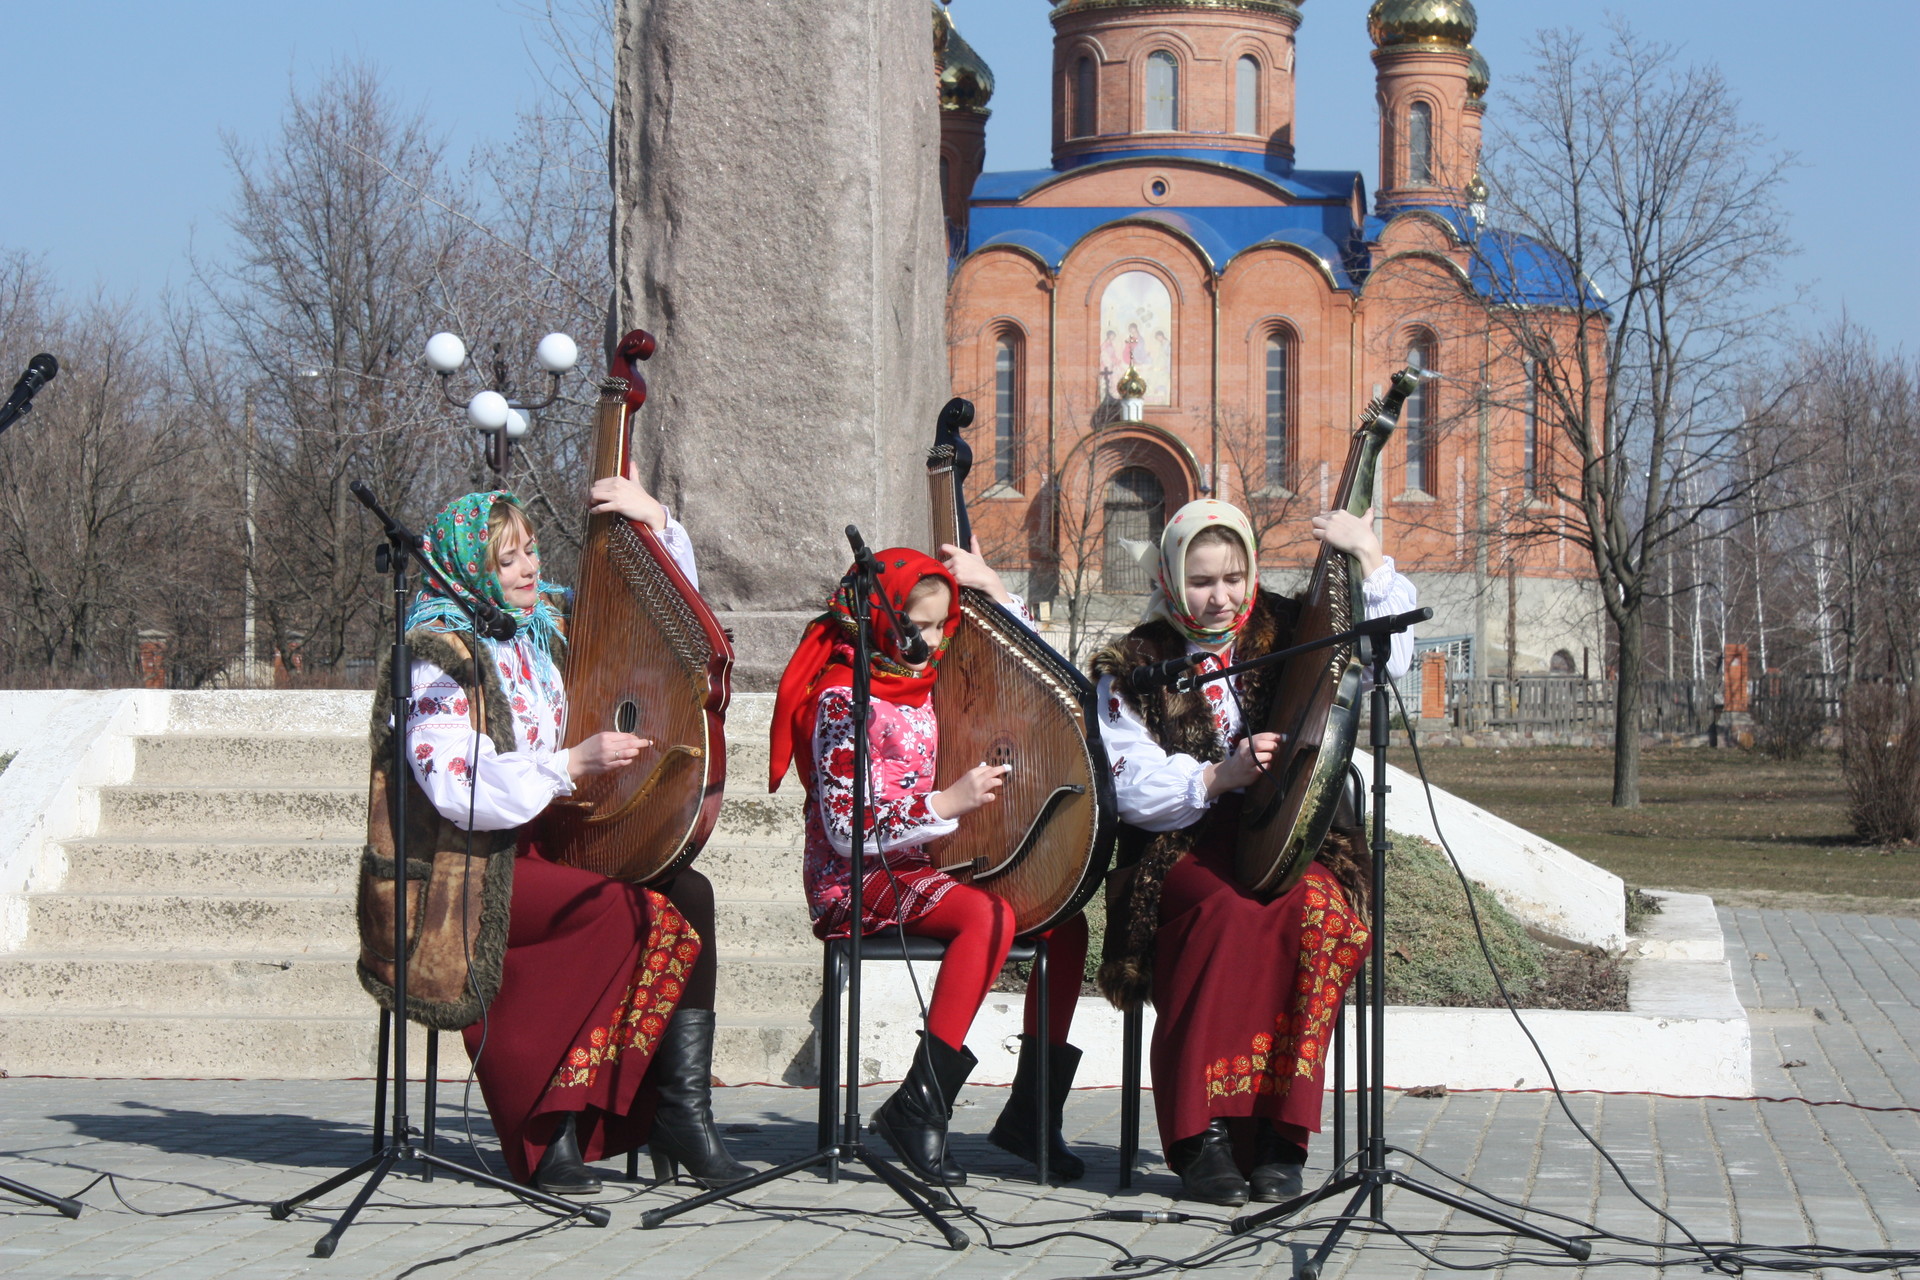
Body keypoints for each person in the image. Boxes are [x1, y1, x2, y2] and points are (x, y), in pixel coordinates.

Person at [355, 471, 748, 1198]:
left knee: (687, 891)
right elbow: (454, 783)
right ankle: (550, 1126)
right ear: (471, 568)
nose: (531, 566)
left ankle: (680, 1114)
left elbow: (669, 626)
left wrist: (657, 523)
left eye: (532, 550)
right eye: (509, 559)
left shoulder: (544, 632)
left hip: (547, 835)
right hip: (468, 861)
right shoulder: (438, 653)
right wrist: (571, 762)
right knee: (610, 912)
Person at [1090, 499, 1416, 1207]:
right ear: (1174, 579)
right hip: (1182, 841)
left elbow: (1383, 659)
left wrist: (1368, 558)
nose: (1221, 596)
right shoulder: (1136, 664)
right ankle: (1197, 1135)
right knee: (1228, 916)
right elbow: (1130, 785)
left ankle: (1278, 1135)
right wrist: (1216, 776)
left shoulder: (1289, 628)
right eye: (1203, 581)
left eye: (1234, 577)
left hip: (1295, 836)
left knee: (1321, 913)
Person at [769, 542, 1090, 1185]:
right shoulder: (843, 696)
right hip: (856, 879)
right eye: (917, 624)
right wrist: (946, 802)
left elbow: (1037, 669)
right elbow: (844, 828)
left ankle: (1031, 1114)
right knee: (988, 918)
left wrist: (996, 593)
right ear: (878, 618)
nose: (932, 639)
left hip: (927, 860)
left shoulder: (925, 678)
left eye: (943, 624)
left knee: (1066, 922)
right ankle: (921, 1106)